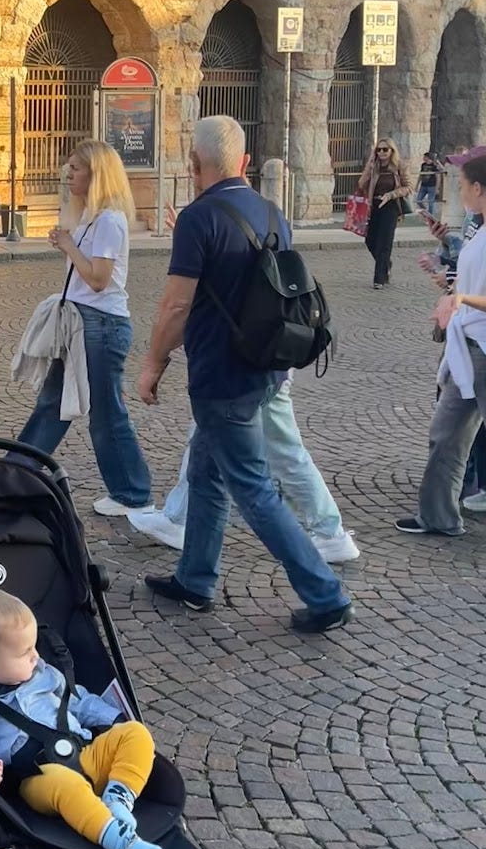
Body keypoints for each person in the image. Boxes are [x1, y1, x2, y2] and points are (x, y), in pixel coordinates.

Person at [137, 115, 353, 633]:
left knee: (253, 490)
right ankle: (195, 580)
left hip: (221, 376)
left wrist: (153, 363)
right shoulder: (272, 211)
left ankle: (326, 594)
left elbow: (175, 306)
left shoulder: (197, 219)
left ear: (194, 163)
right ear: (246, 162)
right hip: (265, 366)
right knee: (206, 474)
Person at [0, 589, 165, 849]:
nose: (35, 656)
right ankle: (122, 841)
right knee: (68, 787)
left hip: (85, 753)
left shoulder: (45, 675)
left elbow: (78, 700)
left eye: (34, 647)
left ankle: (117, 798)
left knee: (136, 733)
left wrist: (114, 717)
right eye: (25, 653)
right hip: (39, 777)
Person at [15, 139, 150, 516]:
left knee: (107, 414)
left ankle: (133, 493)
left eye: (76, 168)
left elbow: (98, 279)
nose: (68, 174)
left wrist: (68, 245)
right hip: (81, 323)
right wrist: (70, 242)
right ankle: (18, 471)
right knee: (53, 402)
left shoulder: (109, 220)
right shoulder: (92, 216)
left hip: (102, 326)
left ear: (97, 174)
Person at [127, 373, 360, 563]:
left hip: (246, 365)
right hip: (258, 362)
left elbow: (176, 322)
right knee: (206, 438)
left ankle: (330, 534)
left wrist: (155, 361)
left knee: (282, 452)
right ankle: (178, 517)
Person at [398, 151, 486, 537]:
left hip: (482, 348)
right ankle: (438, 516)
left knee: (449, 433)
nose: (459, 192)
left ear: (478, 188)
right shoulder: (478, 231)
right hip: (468, 346)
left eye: (463, 185)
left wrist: (462, 298)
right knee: (446, 433)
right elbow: (472, 279)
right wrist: (449, 284)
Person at [358, 138, 411, 288]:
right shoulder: (374, 166)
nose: (381, 152)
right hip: (374, 205)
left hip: (391, 206)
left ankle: (379, 279)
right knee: (370, 240)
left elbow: (408, 187)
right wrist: (369, 168)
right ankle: (386, 264)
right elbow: (361, 184)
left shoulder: (400, 166)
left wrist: (391, 195)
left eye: (385, 149)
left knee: (384, 242)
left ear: (392, 151)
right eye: (378, 150)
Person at [417, 149, 440, 219]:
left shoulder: (434, 165)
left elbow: (438, 177)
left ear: (428, 157)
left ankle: (431, 217)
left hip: (432, 186)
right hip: (423, 185)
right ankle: (425, 210)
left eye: (424, 157)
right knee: (418, 200)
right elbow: (421, 175)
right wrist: (417, 185)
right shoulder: (423, 165)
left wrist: (437, 188)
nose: (423, 158)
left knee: (431, 202)